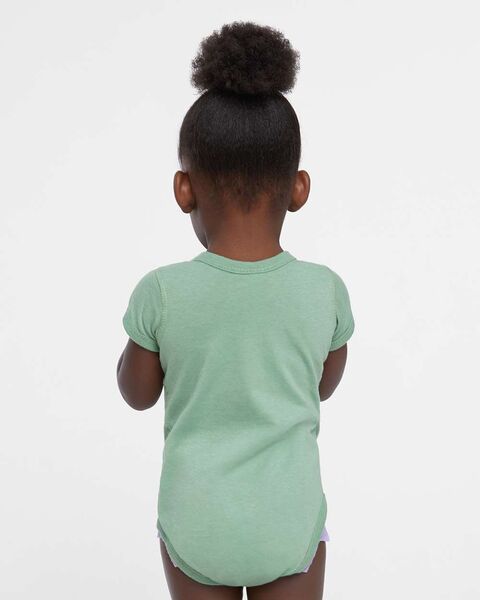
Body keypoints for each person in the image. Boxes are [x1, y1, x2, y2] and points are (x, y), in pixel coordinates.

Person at [117, 20, 355, 600]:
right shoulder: (324, 291)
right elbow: (322, 386)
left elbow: (137, 394)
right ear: (298, 188)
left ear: (184, 189)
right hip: (289, 520)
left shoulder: (162, 292)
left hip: (197, 520)